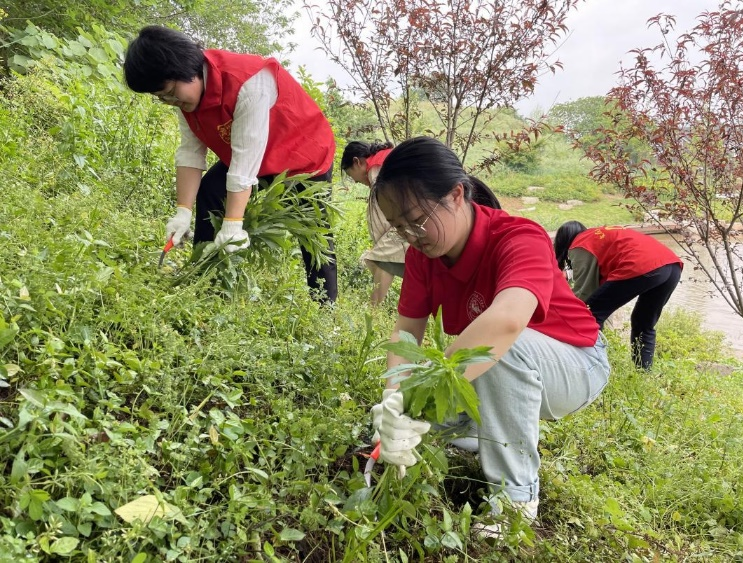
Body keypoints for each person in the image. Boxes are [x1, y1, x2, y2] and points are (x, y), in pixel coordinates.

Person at [369, 137, 610, 537]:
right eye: (400, 227)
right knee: (413, 427)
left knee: (493, 351)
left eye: (417, 219)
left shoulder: (519, 237)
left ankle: (515, 500)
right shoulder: (421, 256)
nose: (412, 235)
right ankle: (484, 436)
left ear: (456, 194)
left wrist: (417, 400)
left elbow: (508, 322)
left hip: (576, 364)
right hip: (496, 366)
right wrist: (393, 398)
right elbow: (407, 331)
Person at [123, 25, 338, 303]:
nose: (170, 101)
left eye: (171, 93)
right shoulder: (186, 98)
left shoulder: (249, 81)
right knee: (211, 190)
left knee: (314, 235)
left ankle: (325, 309)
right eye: (162, 98)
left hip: (303, 155)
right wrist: (182, 212)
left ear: (186, 69)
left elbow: (245, 161)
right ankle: (205, 281)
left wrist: (233, 224)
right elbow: (190, 152)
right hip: (253, 157)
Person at [553, 221, 683, 370]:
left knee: (588, 314)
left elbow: (584, 293)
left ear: (562, 240)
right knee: (643, 323)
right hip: (672, 265)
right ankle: (643, 373)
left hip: (640, 264)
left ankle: (591, 367)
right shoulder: (598, 235)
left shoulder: (580, 244)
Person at [341, 141, 408, 305]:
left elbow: (386, 209)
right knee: (377, 258)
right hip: (412, 219)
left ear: (357, 162)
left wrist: (381, 244)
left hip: (409, 221)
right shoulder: (383, 160)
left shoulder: (376, 168)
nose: (355, 181)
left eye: (351, 175)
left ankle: (373, 312)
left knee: (379, 259)